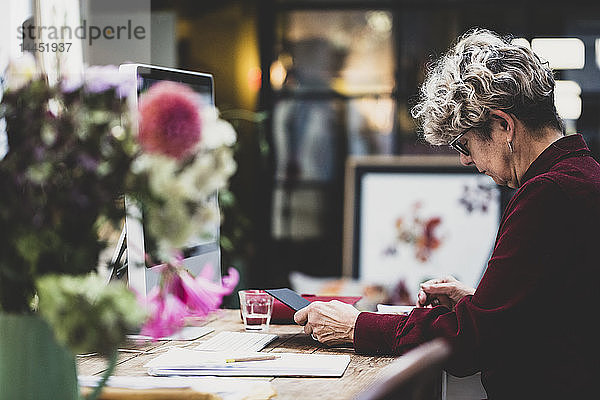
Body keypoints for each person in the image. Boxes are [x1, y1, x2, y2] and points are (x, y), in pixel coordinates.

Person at [294, 28, 600, 399]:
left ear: (504, 126)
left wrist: (358, 326)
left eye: (464, 142)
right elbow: (561, 312)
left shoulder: (547, 193)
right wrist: (482, 302)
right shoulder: (581, 177)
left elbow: (472, 343)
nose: (465, 159)